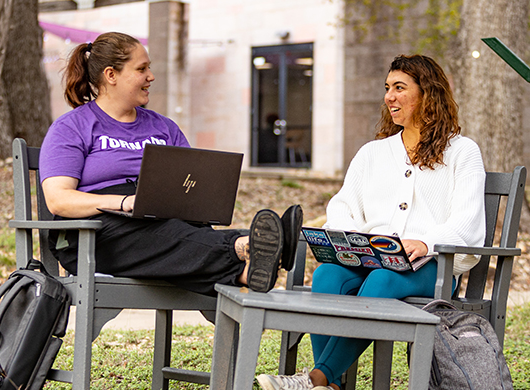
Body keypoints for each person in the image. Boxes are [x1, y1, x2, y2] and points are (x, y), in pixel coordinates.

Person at [256, 54, 486, 390]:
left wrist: (425, 242)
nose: (389, 96)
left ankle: (319, 379)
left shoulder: (462, 152)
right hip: (372, 256)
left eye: (399, 88)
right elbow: (342, 206)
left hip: (432, 268)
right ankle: (328, 385)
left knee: (382, 280)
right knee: (327, 275)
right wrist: (360, 239)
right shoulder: (372, 153)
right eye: (387, 88)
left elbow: (468, 218)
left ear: (428, 93)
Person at [39, 32, 303, 296]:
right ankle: (245, 247)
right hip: (94, 232)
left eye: (149, 68)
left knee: (180, 230)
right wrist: (122, 202)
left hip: (161, 220)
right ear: (111, 75)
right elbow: (58, 200)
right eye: (141, 69)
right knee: (167, 233)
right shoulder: (72, 127)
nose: (151, 76)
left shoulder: (162, 126)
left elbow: (190, 181)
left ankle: (247, 269)